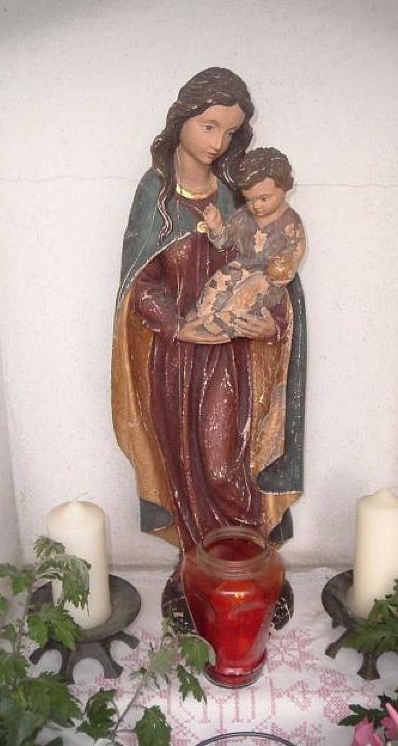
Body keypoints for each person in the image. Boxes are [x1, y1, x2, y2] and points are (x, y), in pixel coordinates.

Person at [111, 68, 306, 627]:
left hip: (230, 355)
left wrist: (270, 323)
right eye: (209, 125)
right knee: (183, 465)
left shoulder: (236, 197)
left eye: (230, 131)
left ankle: (244, 563)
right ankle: (197, 569)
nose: (219, 142)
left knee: (225, 462)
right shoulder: (155, 196)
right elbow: (140, 282)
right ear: (182, 119)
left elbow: (272, 274)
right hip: (174, 358)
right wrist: (176, 325)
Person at [186, 147, 305, 338]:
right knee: (217, 283)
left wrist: (274, 273)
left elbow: (292, 257)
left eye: (264, 198)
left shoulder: (291, 224)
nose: (256, 206)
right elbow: (224, 242)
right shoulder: (244, 217)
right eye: (249, 200)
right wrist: (216, 227)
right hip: (239, 268)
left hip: (267, 278)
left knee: (246, 297)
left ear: (284, 188)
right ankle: (203, 316)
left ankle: (223, 326)